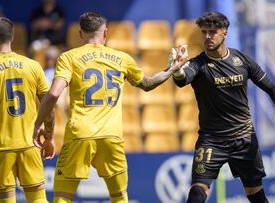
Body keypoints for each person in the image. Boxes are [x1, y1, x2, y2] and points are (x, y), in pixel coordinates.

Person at [32, 11, 187, 203]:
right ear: (105, 33)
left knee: (63, 197)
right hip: (111, 136)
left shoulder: (69, 57)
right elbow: (147, 84)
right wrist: (172, 69)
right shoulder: (122, 58)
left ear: (80, 34)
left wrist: (39, 124)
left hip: (80, 135)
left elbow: (54, 93)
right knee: (119, 197)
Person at [171, 12, 275, 203]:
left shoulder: (241, 61)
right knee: (197, 192)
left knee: (256, 195)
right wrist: (178, 70)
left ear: (224, 33)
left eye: (212, 32)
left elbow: (270, 86)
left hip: (243, 137)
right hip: (211, 141)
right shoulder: (198, 64)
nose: (207, 37)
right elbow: (182, 79)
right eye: (204, 32)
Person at [0, 17, 54, 203]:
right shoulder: (33, 66)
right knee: (38, 200)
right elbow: (49, 108)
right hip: (30, 144)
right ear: (11, 38)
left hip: (1, 148)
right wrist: (49, 137)